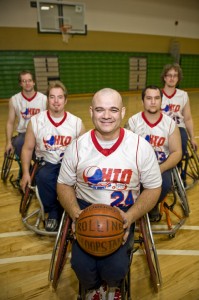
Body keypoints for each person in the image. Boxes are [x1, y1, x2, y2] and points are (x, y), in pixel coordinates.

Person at [57, 88, 162, 300]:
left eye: (113, 109)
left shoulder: (140, 147)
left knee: (115, 269)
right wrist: (76, 213)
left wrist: (131, 216)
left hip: (123, 213)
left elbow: (153, 188)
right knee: (81, 266)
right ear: (91, 112)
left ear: (122, 112)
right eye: (100, 109)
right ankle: (94, 288)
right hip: (85, 209)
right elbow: (63, 185)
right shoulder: (77, 147)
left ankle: (113, 287)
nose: (106, 115)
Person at [20, 81, 86, 232]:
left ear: (65, 100)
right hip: (46, 162)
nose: (56, 101)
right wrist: (25, 173)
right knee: (44, 176)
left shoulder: (76, 123)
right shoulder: (36, 121)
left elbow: (84, 151)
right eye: (52, 97)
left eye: (60, 97)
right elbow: (27, 148)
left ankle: (72, 208)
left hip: (68, 164)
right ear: (47, 100)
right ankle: (54, 212)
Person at [125, 85, 182, 221]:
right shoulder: (133, 122)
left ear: (161, 101)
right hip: (137, 164)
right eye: (149, 98)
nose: (153, 101)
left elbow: (177, 152)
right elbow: (124, 149)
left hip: (161, 164)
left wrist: (161, 168)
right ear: (143, 101)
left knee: (163, 184)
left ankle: (152, 204)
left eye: (156, 98)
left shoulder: (169, 124)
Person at [5, 70, 47, 158]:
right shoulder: (14, 100)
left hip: (40, 133)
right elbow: (10, 122)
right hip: (23, 133)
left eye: (29, 80)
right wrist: (8, 142)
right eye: (24, 81)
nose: (27, 83)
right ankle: (28, 167)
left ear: (34, 82)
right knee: (17, 143)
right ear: (20, 83)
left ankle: (37, 165)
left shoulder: (44, 99)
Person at [161, 63, 198, 155]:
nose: (172, 78)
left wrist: (192, 137)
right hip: (161, 127)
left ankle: (177, 164)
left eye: (175, 76)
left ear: (178, 79)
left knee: (181, 141)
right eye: (169, 75)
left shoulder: (183, 95)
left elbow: (188, 118)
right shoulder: (157, 95)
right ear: (164, 78)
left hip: (178, 128)